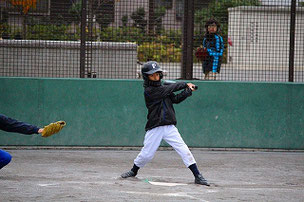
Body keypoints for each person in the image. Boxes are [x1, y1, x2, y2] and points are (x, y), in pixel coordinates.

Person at [121, 61, 210, 186]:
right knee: (147, 155)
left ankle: (198, 176)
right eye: (152, 75)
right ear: (146, 77)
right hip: (155, 127)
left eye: (157, 74)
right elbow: (168, 89)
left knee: (184, 150)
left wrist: (188, 91)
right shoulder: (149, 91)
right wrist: (185, 84)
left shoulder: (164, 90)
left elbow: (176, 99)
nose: (156, 77)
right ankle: (133, 171)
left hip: (169, 127)